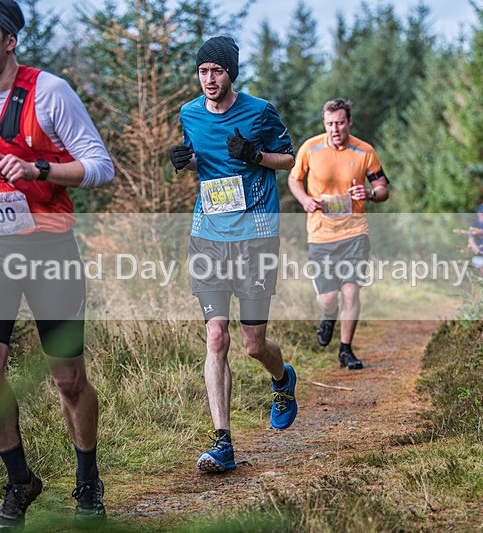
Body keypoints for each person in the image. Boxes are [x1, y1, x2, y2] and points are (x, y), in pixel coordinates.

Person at [0, 0, 114, 529]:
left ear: (11, 41)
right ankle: (20, 482)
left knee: (67, 379)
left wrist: (41, 167)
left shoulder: (50, 93)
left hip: (49, 252)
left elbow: (101, 168)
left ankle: (87, 480)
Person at [168, 36, 298, 473]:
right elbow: (198, 163)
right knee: (216, 336)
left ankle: (282, 379)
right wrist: (182, 160)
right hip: (208, 235)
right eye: (203, 71)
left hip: (256, 237)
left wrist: (256, 155)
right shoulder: (189, 113)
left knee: (252, 344)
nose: (209, 79)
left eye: (217, 71)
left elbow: (291, 160)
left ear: (231, 73)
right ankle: (222, 442)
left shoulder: (259, 111)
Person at [288, 99, 390, 370]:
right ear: (325, 123)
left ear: (349, 123)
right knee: (329, 298)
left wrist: (369, 193)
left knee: (351, 290)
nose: (335, 129)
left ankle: (346, 350)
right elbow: (293, 179)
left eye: (340, 123)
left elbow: (382, 188)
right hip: (321, 233)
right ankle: (328, 315)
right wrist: (304, 200)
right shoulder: (311, 147)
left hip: (355, 231)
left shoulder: (364, 151)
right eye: (330, 123)